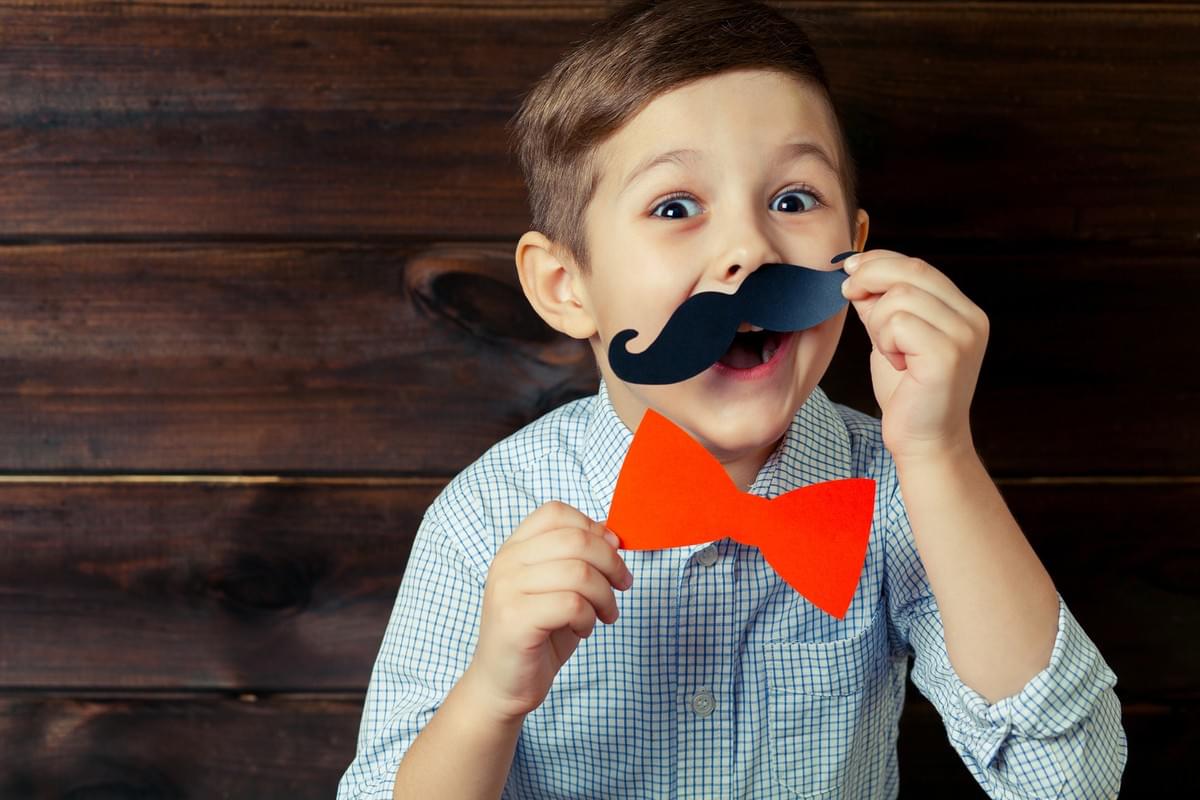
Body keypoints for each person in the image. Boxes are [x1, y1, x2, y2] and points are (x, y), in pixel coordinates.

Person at [337, 1, 1126, 797]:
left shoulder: (904, 496)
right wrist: (489, 701)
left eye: (793, 200)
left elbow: (1069, 780)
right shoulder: (484, 517)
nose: (750, 248)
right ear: (565, 286)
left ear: (854, 251)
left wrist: (938, 453)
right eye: (675, 207)